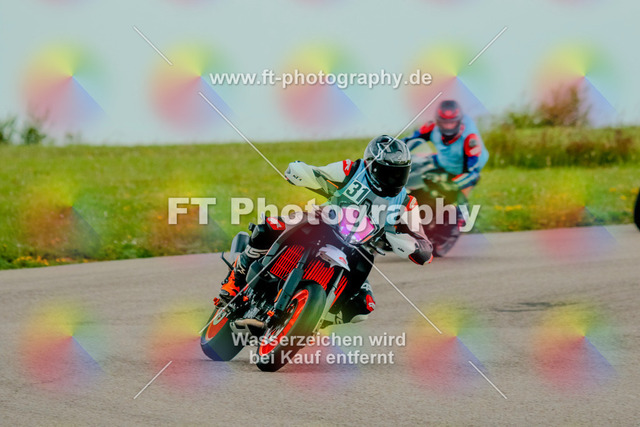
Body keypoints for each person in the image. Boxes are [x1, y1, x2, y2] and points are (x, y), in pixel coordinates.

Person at [218, 135, 433, 324]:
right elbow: (320, 173)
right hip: (323, 221)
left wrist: (415, 247)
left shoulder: (407, 202)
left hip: (360, 247)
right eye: (387, 172)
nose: (393, 179)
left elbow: (424, 244)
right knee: (270, 227)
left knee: (363, 306)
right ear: (371, 165)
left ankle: (310, 320)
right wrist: (303, 173)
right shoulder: (352, 169)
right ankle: (235, 278)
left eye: (399, 173)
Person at [404, 100, 489, 197]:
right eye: (444, 122)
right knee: (415, 161)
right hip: (442, 160)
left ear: (459, 121)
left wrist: (452, 184)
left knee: (457, 196)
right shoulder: (432, 127)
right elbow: (409, 139)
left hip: (463, 169)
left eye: (452, 123)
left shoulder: (470, 138)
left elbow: (472, 170)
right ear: (438, 121)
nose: (448, 126)